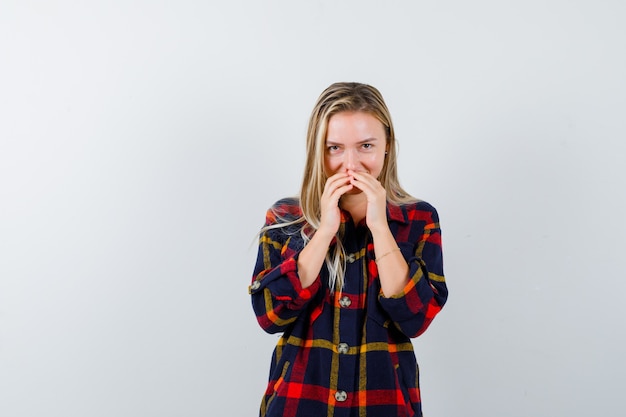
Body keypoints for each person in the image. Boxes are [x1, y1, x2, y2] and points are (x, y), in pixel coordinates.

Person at [248, 82, 448, 417]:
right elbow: (270, 315)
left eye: (365, 146)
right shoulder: (285, 218)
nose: (350, 165)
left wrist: (380, 225)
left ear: (387, 146)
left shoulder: (418, 218)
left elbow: (416, 318)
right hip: (299, 404)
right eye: (335, 148)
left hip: (384, 406)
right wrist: (324, 230)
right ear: (318, 151)